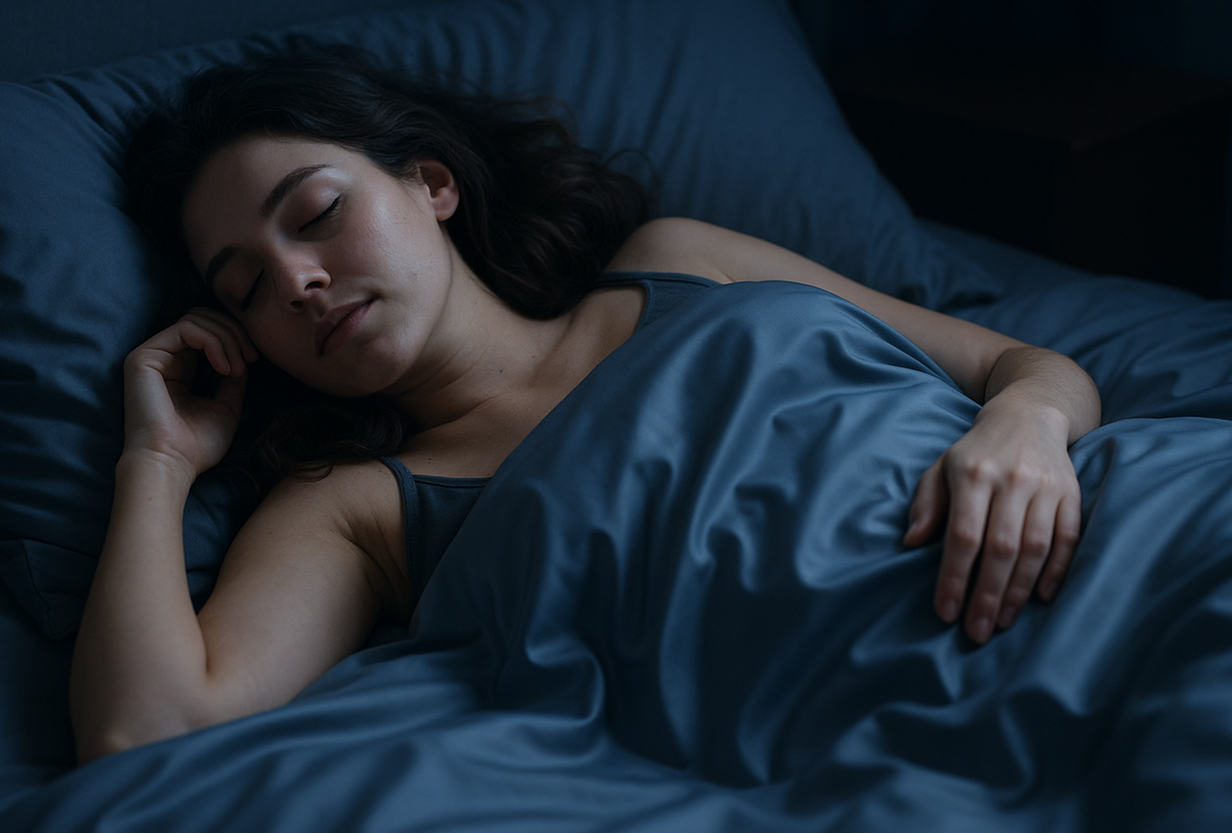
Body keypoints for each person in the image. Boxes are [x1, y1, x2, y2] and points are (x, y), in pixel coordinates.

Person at [70, 48, 1101, 764]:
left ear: (431, 184)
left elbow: (1022, 363)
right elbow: (145, 734)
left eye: (318, 212)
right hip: (884, 701)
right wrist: (156, 463)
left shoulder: (679, 261)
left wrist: (1025, 426)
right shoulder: (350, 508)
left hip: (1082, 545)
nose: (296, 280)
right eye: (246, 287)